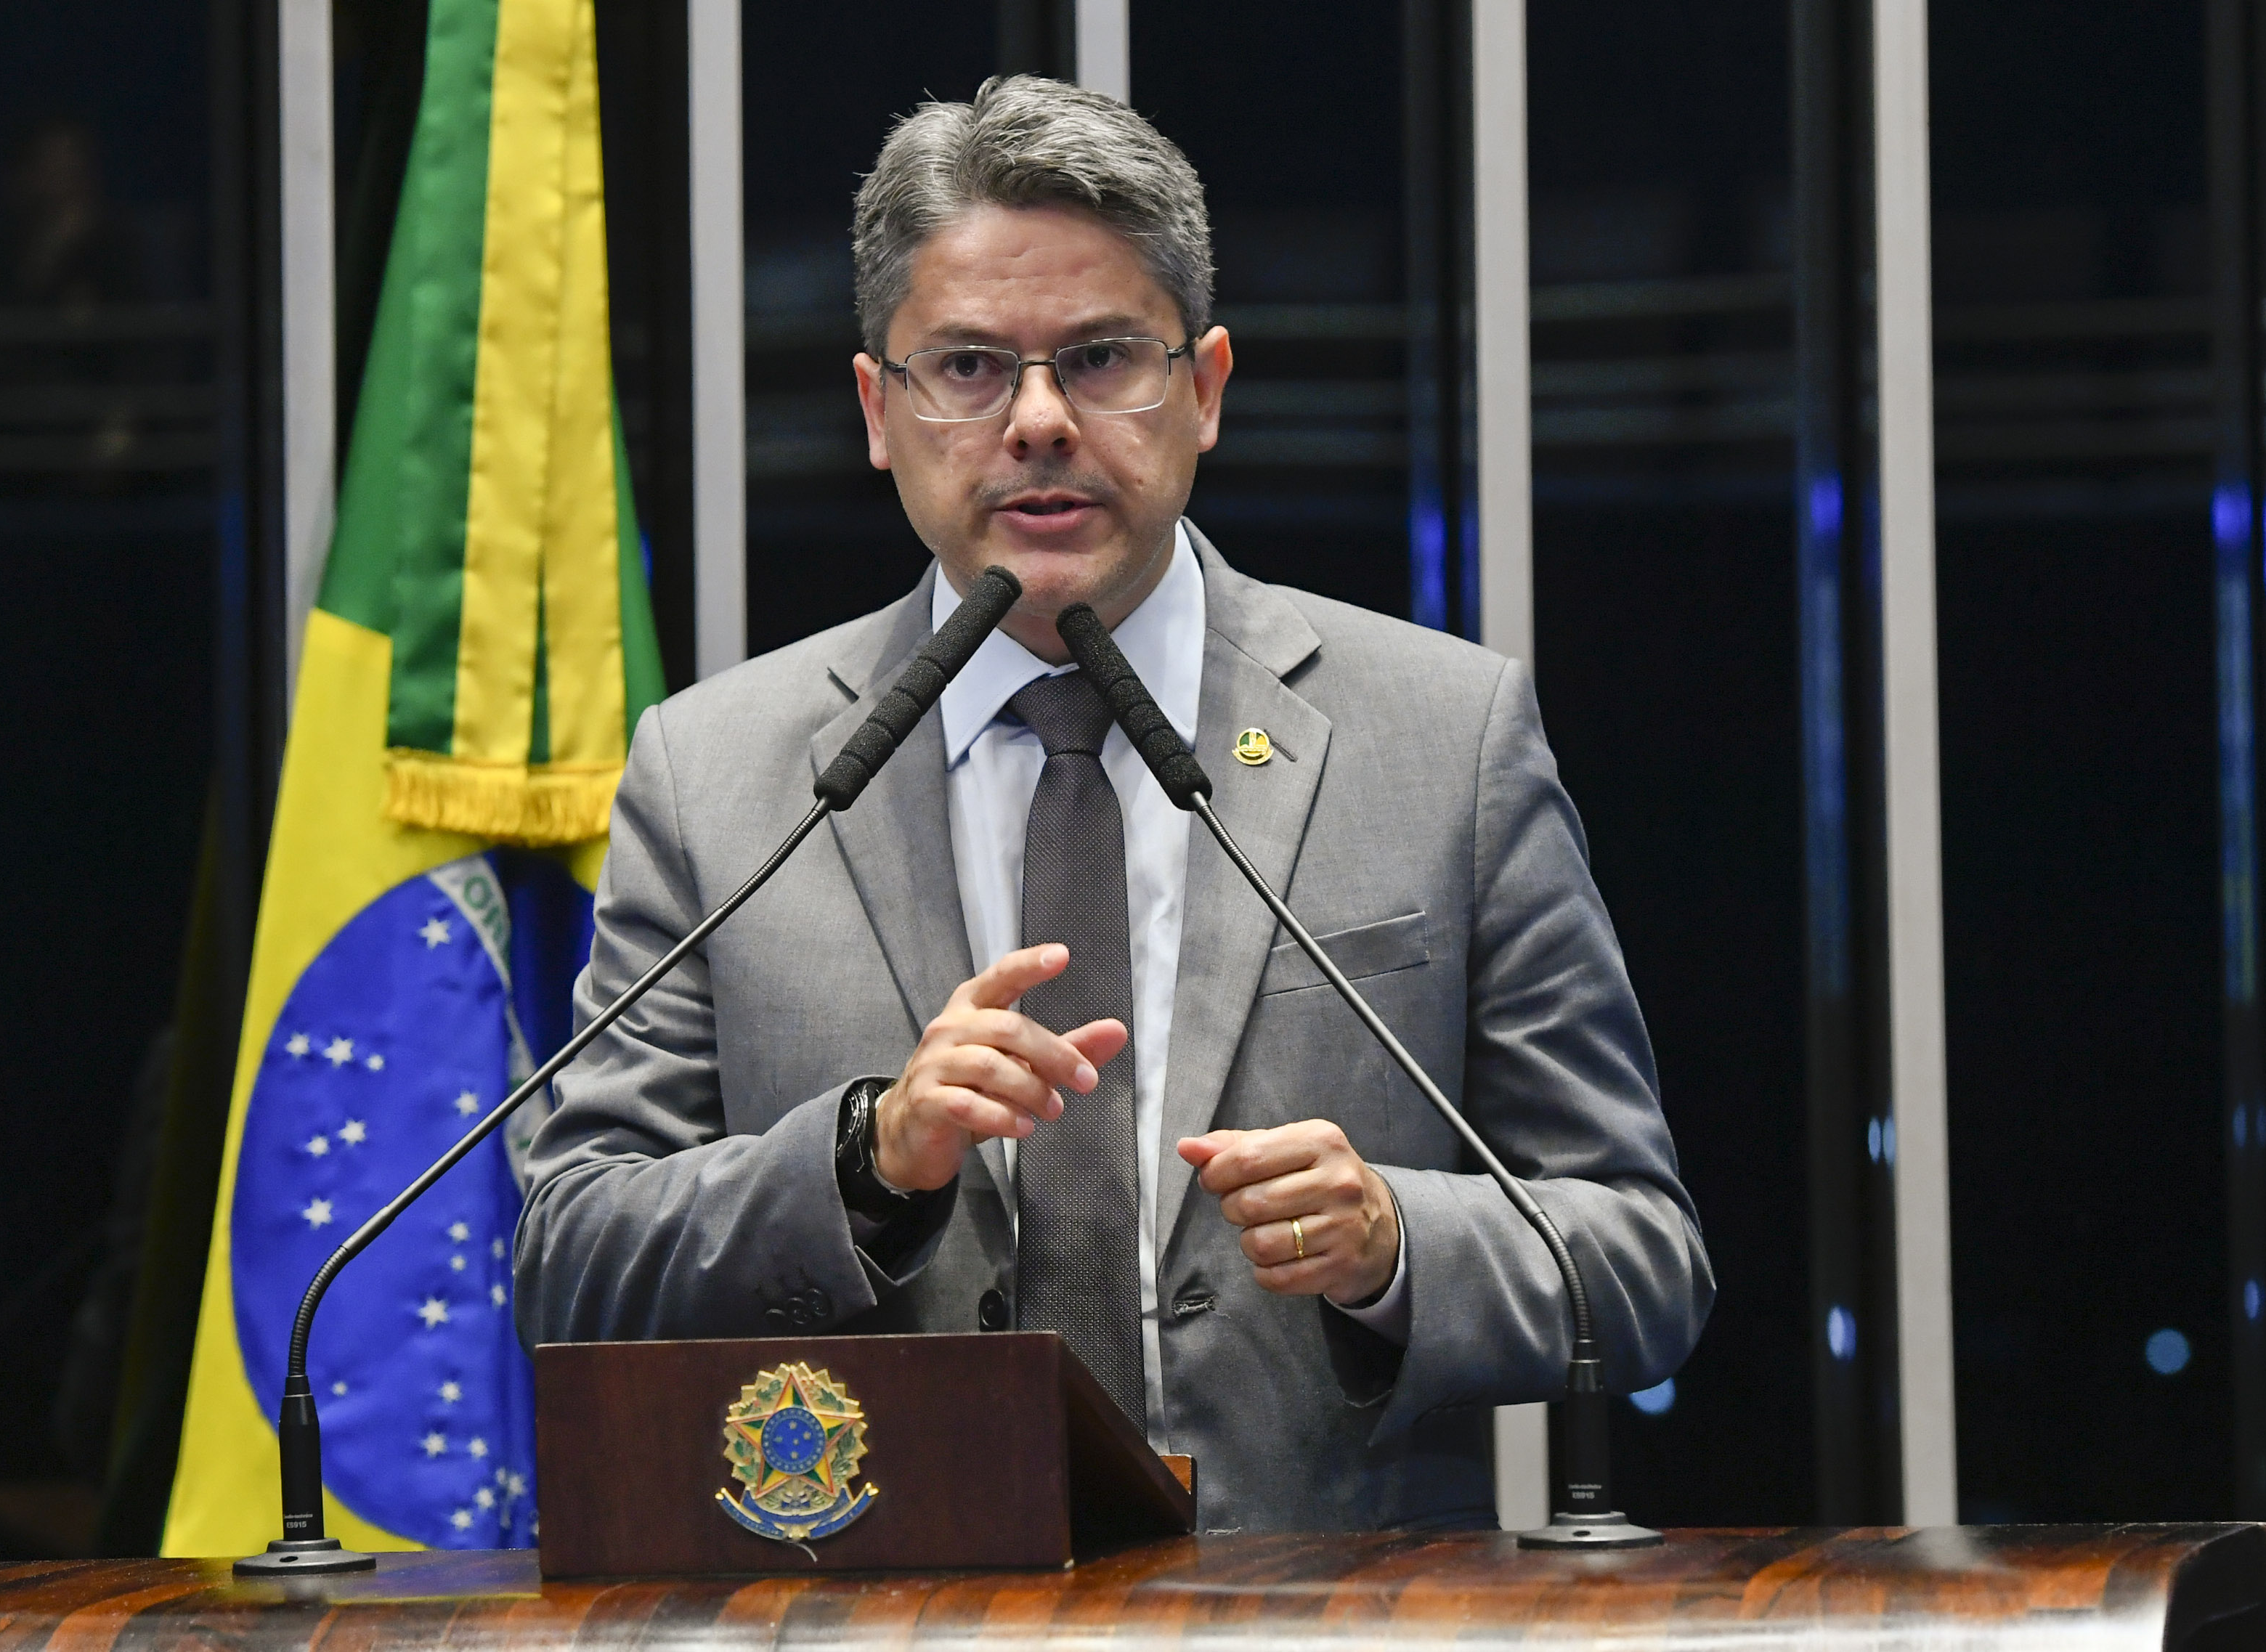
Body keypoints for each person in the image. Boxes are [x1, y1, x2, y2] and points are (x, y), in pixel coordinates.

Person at [515, 75, 1711, 1533]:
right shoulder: (724, 773)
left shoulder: (1440, 738)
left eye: (1098, 359)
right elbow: (569, 1255)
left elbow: (1643, 1258)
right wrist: (866, 1160)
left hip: (1316, 1629)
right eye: (965, 367)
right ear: (877, 411)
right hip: (891, 1619)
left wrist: (1399, 1239)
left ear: (1203, 387)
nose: (1035, 423)